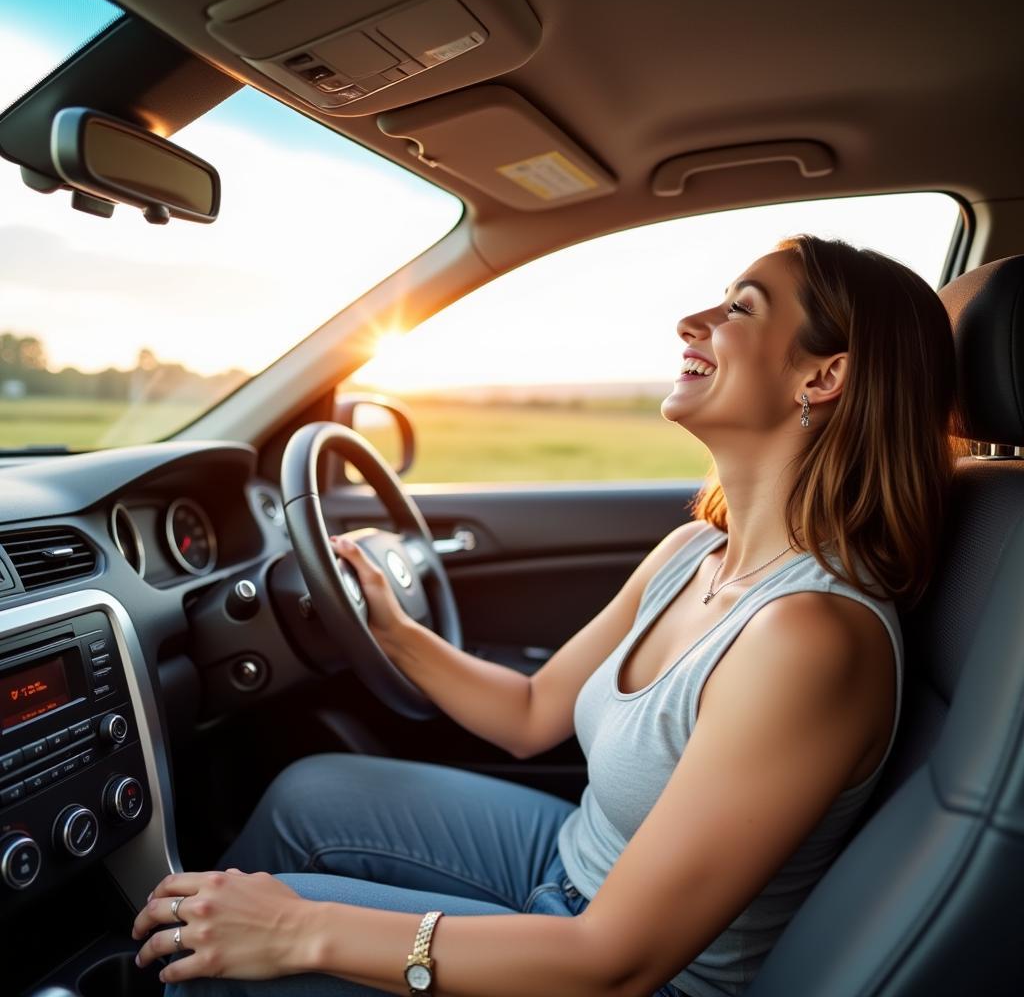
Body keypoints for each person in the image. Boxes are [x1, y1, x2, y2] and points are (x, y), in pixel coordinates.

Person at [133, 235, 962, 997]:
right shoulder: (688, 553)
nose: (694, 319)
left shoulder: (809, 637)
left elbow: (615, 963)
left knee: (213, 951)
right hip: (570, 864)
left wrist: (298, 932)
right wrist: (390, 627)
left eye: (742, 307)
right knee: (309, 794)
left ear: (822, 377)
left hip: (629, 972)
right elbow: (530, 714)